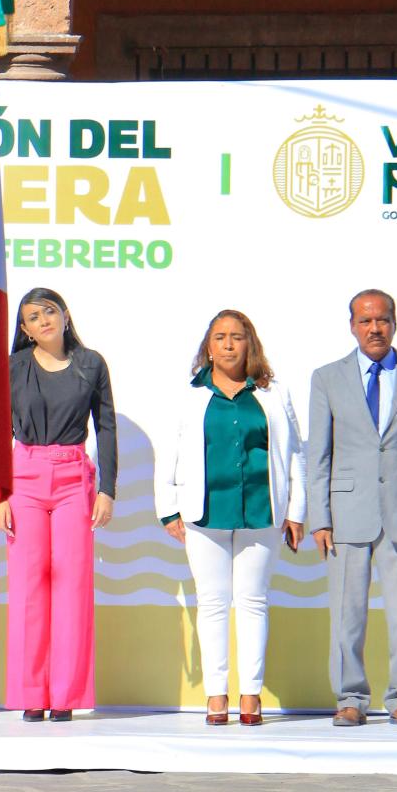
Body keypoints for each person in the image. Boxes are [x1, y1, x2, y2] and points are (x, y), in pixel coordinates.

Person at [155, 309, 306, 727]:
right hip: (205, 512)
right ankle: (216, 695)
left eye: (236, 337)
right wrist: (167, 508)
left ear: (249, 344)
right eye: (219, 337)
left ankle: (251, 695)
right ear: (208, 345)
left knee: (254, 601)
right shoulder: (190, 396)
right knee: (213, 603)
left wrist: (297, 509)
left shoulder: (274, 393)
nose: (227, 344)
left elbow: (295, 453)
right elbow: (168, 453)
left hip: (262, 510)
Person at [307, 289, 397, 727]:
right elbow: (319, 456)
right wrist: (320, 517)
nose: (374, 328)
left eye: (382, 319)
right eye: (365, 321)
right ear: (352, 326)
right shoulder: (327, 378)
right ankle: (350, 698)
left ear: (394, 323)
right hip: (346, 513)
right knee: (347, 614)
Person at [0, 288, 117, 721]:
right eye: (33, 316)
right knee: (28, 589)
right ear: (25, 330)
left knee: (71, 589)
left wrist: (108, 489)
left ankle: (65, 696)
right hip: (23, 477)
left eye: (49, 311)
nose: (43, 320)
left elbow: (106, 427)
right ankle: (32, 694)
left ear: (64, 315)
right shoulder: (12, 367)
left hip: (72, 478)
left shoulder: (91, 364)